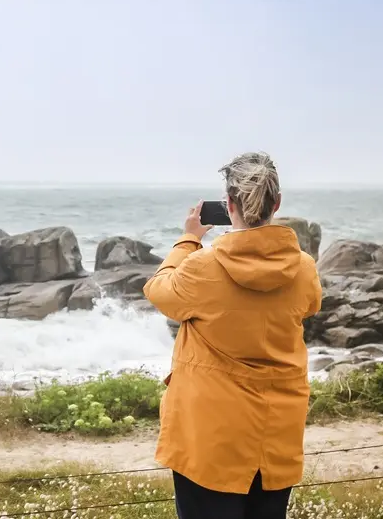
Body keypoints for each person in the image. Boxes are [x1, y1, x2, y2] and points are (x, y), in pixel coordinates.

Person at [143, 152, 322, 519]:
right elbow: (309, 307)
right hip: (276, 440)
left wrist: (189, 239)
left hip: (210, 440)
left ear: (228, 205)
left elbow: (158, 291)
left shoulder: (202, 267)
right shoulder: (304, 268)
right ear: (278, 203)